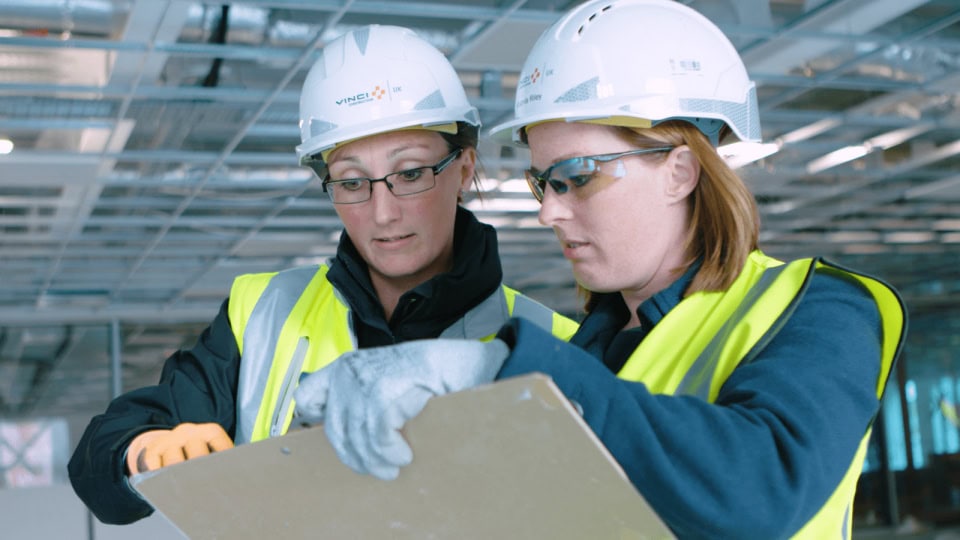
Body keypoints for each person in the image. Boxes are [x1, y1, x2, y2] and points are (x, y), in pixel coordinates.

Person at [291, 1, 908, 538]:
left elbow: (760, 488)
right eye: (542, 183)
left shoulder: (821, 310)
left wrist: (497, 370)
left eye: (577, 177)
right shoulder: (589, 355)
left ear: (679, 171)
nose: (549, 212)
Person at [67, 24, 577, 526]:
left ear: (464, 167)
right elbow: (104, 458)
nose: (383, 213)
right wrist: (142, 453)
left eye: (410, 174)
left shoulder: (556, 349)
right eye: (352, 181)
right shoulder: (264, 311)